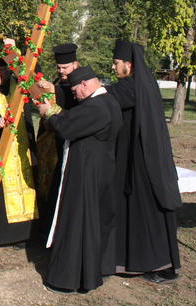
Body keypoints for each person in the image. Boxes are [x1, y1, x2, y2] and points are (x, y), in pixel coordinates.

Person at [37, 66, 122, 293]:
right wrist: (56, 110)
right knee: (90, 224)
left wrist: (48, 113)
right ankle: (92, 270)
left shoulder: (97, 107)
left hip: (85, 174)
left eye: (75, 90)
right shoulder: (106, 102)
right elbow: (74, 118)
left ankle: (67, 278)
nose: (74, 95)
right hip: (97, 171)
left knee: (76, 224)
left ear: (85, 84)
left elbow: (66, 127)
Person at [108, 40, 181, 283]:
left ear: (129, 65)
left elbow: (103, 99)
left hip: (141, 160)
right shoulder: (141, 85)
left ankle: (156, 263)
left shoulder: (130, 88)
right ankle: (137, 259)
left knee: (145, 211)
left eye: (117, 63)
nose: (114, 66)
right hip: (139, 157)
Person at [0, 49, 37, 247]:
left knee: (26, 187)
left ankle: (25, 234)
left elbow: (31, 73)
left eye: (2, 70)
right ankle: (1, 235)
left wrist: (15, 52)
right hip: (1, 146)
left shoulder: (20, 86)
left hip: (23, 146)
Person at [35, 43, 81, 232]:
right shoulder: (59, 80)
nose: (62, 71)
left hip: (68, 140)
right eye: (59, 68)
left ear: (75, 65)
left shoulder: (80, 82)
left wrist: (54, 90)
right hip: (51, 139)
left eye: (65, 67)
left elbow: (73, 102)